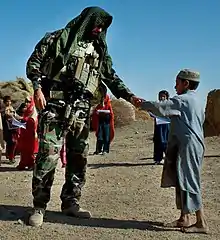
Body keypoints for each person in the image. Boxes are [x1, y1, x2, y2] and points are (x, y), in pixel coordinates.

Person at [26, 6, 142, 227]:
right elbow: (34, 64)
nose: (99, 29)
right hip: (55, 107)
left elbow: (109, 75)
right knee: (47, 158)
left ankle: (71, 203)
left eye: (103, 27)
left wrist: (129, 95)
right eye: (97, 24)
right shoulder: (56, 39)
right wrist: (37, 88)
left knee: (79, 158)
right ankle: (39, 206)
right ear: (87, 21)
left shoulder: (99, 49)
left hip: (81, 110)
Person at [140, 69, 208, 234]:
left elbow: (160, 108)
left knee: (191, 181)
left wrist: (140, 103)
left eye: (177, 82)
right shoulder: (197, 100)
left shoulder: (182, 100)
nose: (175, 86)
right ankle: (184, 218)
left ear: (186, 83)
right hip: (188, 144)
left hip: (188, 145)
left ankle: (201, 222)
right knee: (182, 179)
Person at [17, 96, 38, 170]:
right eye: (26, 101)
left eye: (28, 102)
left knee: (29, 150)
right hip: (24, 133)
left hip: (30, 133)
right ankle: (23, 163)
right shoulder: (26, 111)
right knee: (23, 149)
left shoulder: (33, 111)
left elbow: (33, 121)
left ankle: (30, 164)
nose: (26, 103)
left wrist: (23, 119)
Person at [152, 90, 170, 164]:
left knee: (167, 141)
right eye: (160, 96)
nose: (162, 98)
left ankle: (169, 158)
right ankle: (158, 159)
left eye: (163, 96)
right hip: (158, 126)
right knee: (158, 141)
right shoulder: (156, 105)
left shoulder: (170, 105)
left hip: (167, 126)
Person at [2, 96, 19, 164]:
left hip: (13, 127)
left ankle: (11, 156)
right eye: (7, 101)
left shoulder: (12, 108)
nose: (8, 103)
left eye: (9, 101)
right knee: (11, 142)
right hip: (7, 128)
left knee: (13, 142)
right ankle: (11, 157)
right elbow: (7, 115)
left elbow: (15, 115)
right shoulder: (4, 110)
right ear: (4, 102)